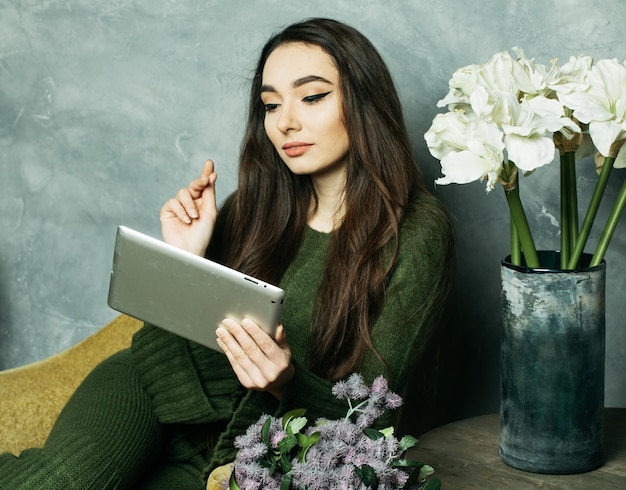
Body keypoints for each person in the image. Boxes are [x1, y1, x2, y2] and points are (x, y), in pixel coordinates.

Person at [0, 18, 454, 489]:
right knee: (56, 482)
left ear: (363, 101)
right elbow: (182, 340)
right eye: (270, 104)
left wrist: (285, 383)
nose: (284, 122)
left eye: (312, 97)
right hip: (148, 391)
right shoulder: (254, 206)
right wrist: (187, 257)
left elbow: (371, 422)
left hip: (247, 454)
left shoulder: (416, 235)